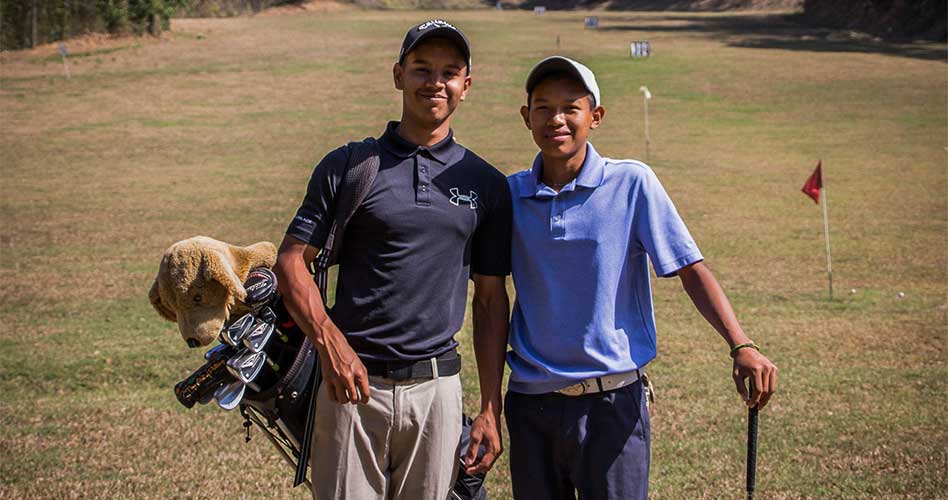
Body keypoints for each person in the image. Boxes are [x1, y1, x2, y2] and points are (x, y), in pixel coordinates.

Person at [504, 56, 778, 500]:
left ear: (596, 117)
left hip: (612, 402)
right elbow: (488, 295)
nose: (556, 119)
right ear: (526, 117)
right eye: (542, 107)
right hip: (530, 404)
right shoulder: (510, 194)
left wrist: (741, 343)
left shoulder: (632, 183)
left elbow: (690, 269)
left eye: (571, 107)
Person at [274, 19, 511, 500]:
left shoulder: (486, 183)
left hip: (437, 389)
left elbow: (488, 302)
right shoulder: (350, 165)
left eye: (449, 72)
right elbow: (291, 263)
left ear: (466, 85)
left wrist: (490, 407)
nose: (435, 82)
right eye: (422, 69)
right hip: (350, 386)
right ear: (398, 75)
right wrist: (330, 344)